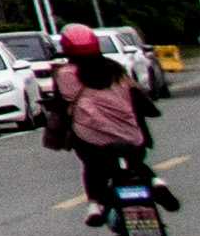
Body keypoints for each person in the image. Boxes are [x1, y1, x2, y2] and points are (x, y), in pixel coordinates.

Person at [48, 21, 163, 222]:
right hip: (130, 135)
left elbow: (60, 108)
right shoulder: (115, 69)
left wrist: (57, 135)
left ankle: (95, 205)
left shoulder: (64, 75)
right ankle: (156, 182)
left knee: (92, 167)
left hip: (91, 140)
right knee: (136, 162)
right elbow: (139, 99)